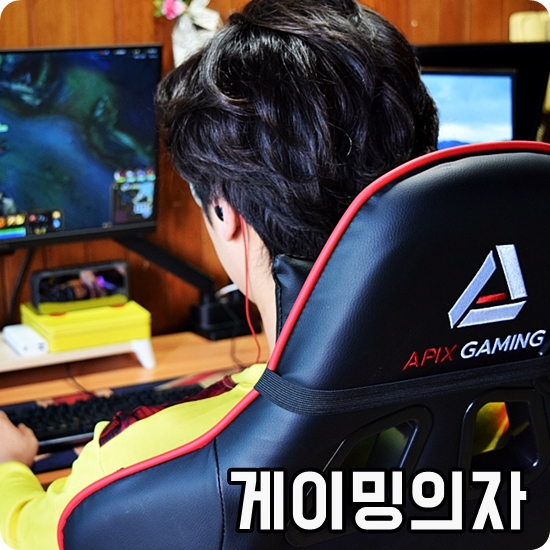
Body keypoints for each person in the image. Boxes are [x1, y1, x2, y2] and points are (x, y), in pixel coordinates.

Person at [0, 0, 438, 548]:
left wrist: (9, 466)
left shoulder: (134, 461)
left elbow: (27, 534)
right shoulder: (495, 403)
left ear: (227, 214)